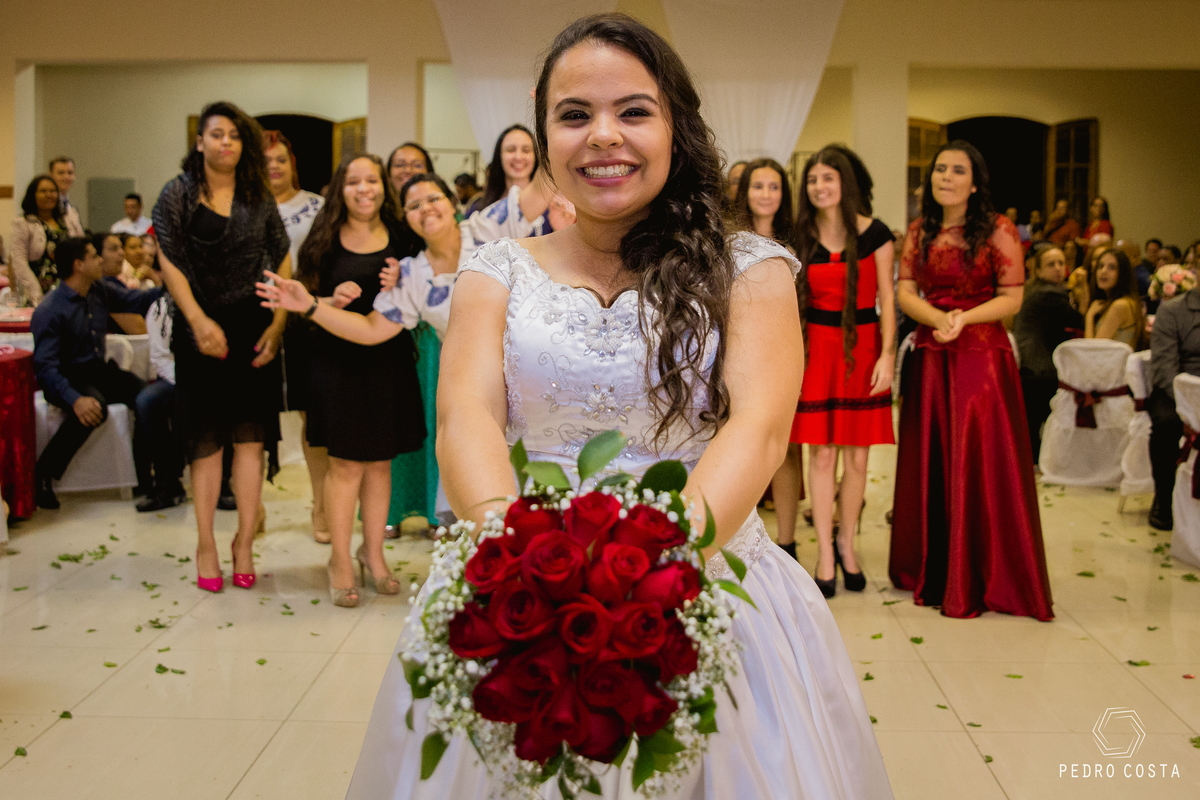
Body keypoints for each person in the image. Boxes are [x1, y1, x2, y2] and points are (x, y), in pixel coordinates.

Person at [328, 14, 896, 799]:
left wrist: (652, 586)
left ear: (676, 128)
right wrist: (520, 574)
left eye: (633, 111)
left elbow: (760, 430)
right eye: (574, 114)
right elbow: (466, 419)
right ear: (543, 137)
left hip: (709, 578)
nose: (603, 135)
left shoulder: (751, 269)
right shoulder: (495, 270)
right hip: (521, 577)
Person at [259, 170, 478, 598]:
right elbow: (373, 327)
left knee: (383, 466)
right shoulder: (411, 273)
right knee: (351, 467)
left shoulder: (492, 242)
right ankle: (343, 558)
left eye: (433, 199)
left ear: (452, 202)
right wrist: (311, 306)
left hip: (514, 377)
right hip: (354, 365)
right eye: (414, 205)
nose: (425, 210)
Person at [890, 140, 1053, 621]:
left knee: (978, 458)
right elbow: (905, 291)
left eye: (957, 170)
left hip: (981, 357)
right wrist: (937, 318)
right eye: (940, 169)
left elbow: (1012, 297)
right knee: (935, 456)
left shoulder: (998, 229)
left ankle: (986, 571)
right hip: (931, 352)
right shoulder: (920, 230)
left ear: (975, 183)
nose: (946, 177)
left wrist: (962, 319)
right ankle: (934, 566)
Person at [152, 100, 291, 594]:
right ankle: (206, 544)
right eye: (216, 134)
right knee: (206, 441)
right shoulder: (178, 193)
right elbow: (169, 260)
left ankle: (244, 543)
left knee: (251, 441)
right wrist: (197, 321)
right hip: (200, 327)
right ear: (200, 142)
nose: (225, 142)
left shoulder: (257, 193)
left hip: (254, 325)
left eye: (233, 135)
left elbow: (282, 255)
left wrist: (279, 323)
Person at [788, 146, 895, 598]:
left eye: (828, 178)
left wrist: (888, 356)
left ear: (844, 183)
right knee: (822, 456)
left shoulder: (877, 234)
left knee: (857, 459)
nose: (819, 186)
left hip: (863, 348)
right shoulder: (800, 236)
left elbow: (887, 299)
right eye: (813, 179)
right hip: (816, 349)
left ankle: (848, 544)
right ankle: (825, 554)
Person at [29, 237, 164, 509]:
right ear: (78, 265)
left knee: (147, 398)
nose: (101, 260)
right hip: (66, 376)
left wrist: (170, 284)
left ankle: (143, 476)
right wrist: (74, 398)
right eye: (94, 256)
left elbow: (138, 301)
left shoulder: (98, 290)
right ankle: (42, 474)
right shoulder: (50, 309)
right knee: (94, 407)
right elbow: (46, 369)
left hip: (97, 370)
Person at [264, 129, 330, 542]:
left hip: (306, 321)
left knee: (312, 417)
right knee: (253, 419)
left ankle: (321, 505)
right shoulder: (246, 207)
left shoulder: (316, 207)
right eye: (266, 161)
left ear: (292, 164)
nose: (274, 167)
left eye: (281, 159)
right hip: (257, 320)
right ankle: (251, 507)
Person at [1013, 244, 1083, 463]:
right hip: (1040, 371)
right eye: (1051, 264)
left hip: (1030, 367)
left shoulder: (1034, 290)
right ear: (1039, 270)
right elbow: (1078, 321)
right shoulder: (1047, 294)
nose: (1058, 268)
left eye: (1061, 263)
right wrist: (1085, 301)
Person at [1147, 281, 1200, 530]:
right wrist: (1189, 402)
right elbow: (1165, 367)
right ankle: (1163, 496)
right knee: (1166, 424)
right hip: (1178, 390)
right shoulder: (1173, 311)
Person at [135, 283, 188, 512]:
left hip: (213, 375)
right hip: (176, 376)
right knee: (146, 402)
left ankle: (223, 485)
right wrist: (185, 382)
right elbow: (160, 357)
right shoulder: (162, 307)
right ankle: (168, 484)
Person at [8, 175, 72, 304]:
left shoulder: (66, 221)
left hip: (67, 286)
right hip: (37, 287)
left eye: (52, 191)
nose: (49, 195)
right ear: (33, 195)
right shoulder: (23, 223)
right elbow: (19, 261)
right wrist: (35, 292)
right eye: (43, 191)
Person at [1084, 246, 1145, 349]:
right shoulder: (1122, 301)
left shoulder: (1120, 305)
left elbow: (1093, 350)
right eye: (1100, 266)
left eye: (1112, 267)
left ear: (1123, 274)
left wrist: (1089, 316)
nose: (1103, 271)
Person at [48, 157, 85, 237]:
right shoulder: (46, 206)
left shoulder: (72, 208)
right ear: (50, 175)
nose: (66, 177)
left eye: (70, 173)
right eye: (61, 173)